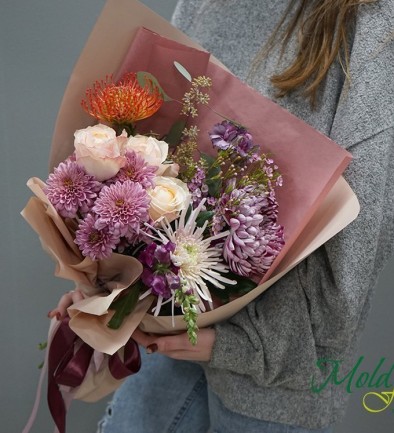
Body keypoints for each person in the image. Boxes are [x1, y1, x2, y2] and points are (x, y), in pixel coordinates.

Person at [51, 1, 394, 432]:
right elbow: (153, 149)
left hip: (272, 382)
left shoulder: (373, 24)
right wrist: (106, 282)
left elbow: (359, 242)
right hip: (168, 330)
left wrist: (248, 345)